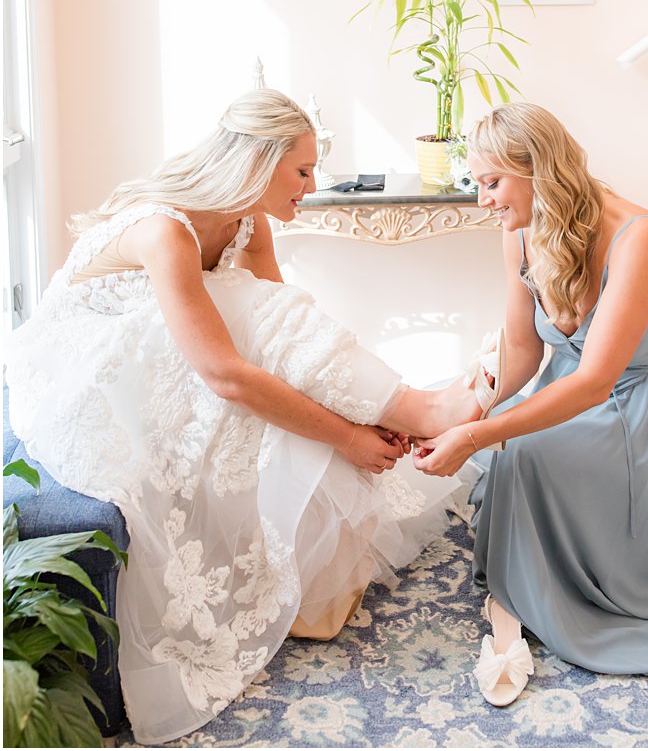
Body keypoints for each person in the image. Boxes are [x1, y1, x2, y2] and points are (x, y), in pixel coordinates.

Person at [4, 89, 495, 744]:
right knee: (241, 309)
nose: (312, 185)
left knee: (260, 310)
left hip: (171, 362)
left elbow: (291, 328)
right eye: (302, 169)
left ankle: (405, 414)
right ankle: (426, 406)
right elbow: (224, 373)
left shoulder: (245, 223)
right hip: (86, 379)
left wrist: (354, 404)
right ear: (258, 161)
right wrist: (348, 434)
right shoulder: (166, 229)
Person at [412, 103, 648, 712]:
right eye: (477, 184)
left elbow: (597, 380)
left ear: (538, 170)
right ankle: (525, 591)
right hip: (575, 390)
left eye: (492, 183)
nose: (483, 201)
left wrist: (477, 437)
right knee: (509, 443)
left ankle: (522, 603)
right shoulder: (518, 230)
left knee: (516, 451)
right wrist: (469, 410)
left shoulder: (639, 236)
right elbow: (521, 348)